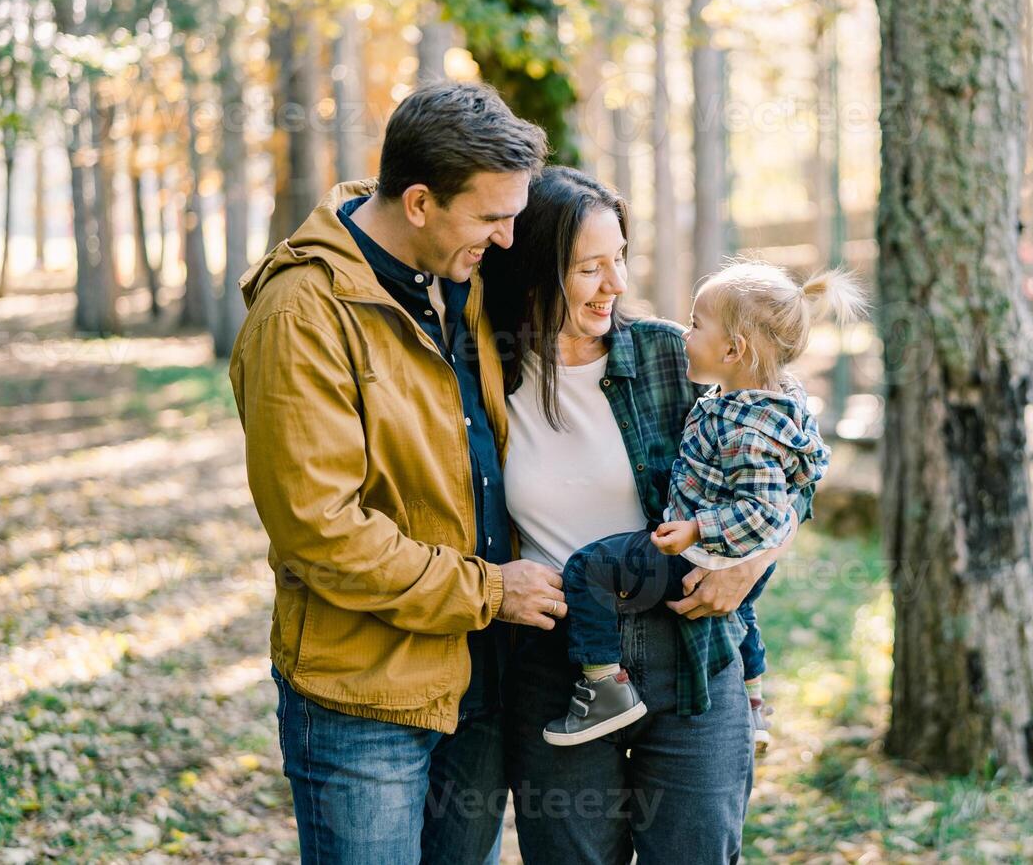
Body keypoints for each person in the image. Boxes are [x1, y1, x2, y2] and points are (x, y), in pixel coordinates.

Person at [229, 81, 569, 864]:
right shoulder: (303, 314)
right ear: (419, 202)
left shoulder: (463, 274)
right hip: (364, 699)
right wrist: (491, 590)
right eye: (491, 218)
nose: (509, 239)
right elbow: (322, 532)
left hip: (477, 680)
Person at [481, 166, 799, 863]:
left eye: (620, 257)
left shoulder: (669, 356)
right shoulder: (482, 373)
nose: (615, 284)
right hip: (560, 662)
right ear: (534, 268)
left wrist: (750, 563)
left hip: (691, 650)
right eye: (590, 267)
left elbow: (790, 468)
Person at [542, 261, 865, 756]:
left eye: (696, 325)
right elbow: (809, 469)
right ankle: (754, 698)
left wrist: (697, 529)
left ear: (734, 350)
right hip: (728, 557)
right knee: (748, 611)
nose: (685, 334)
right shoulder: (779, 401)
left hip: (702, 556)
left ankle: (604, 686)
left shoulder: (744, 430)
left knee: (589, 568)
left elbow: (762, 511)